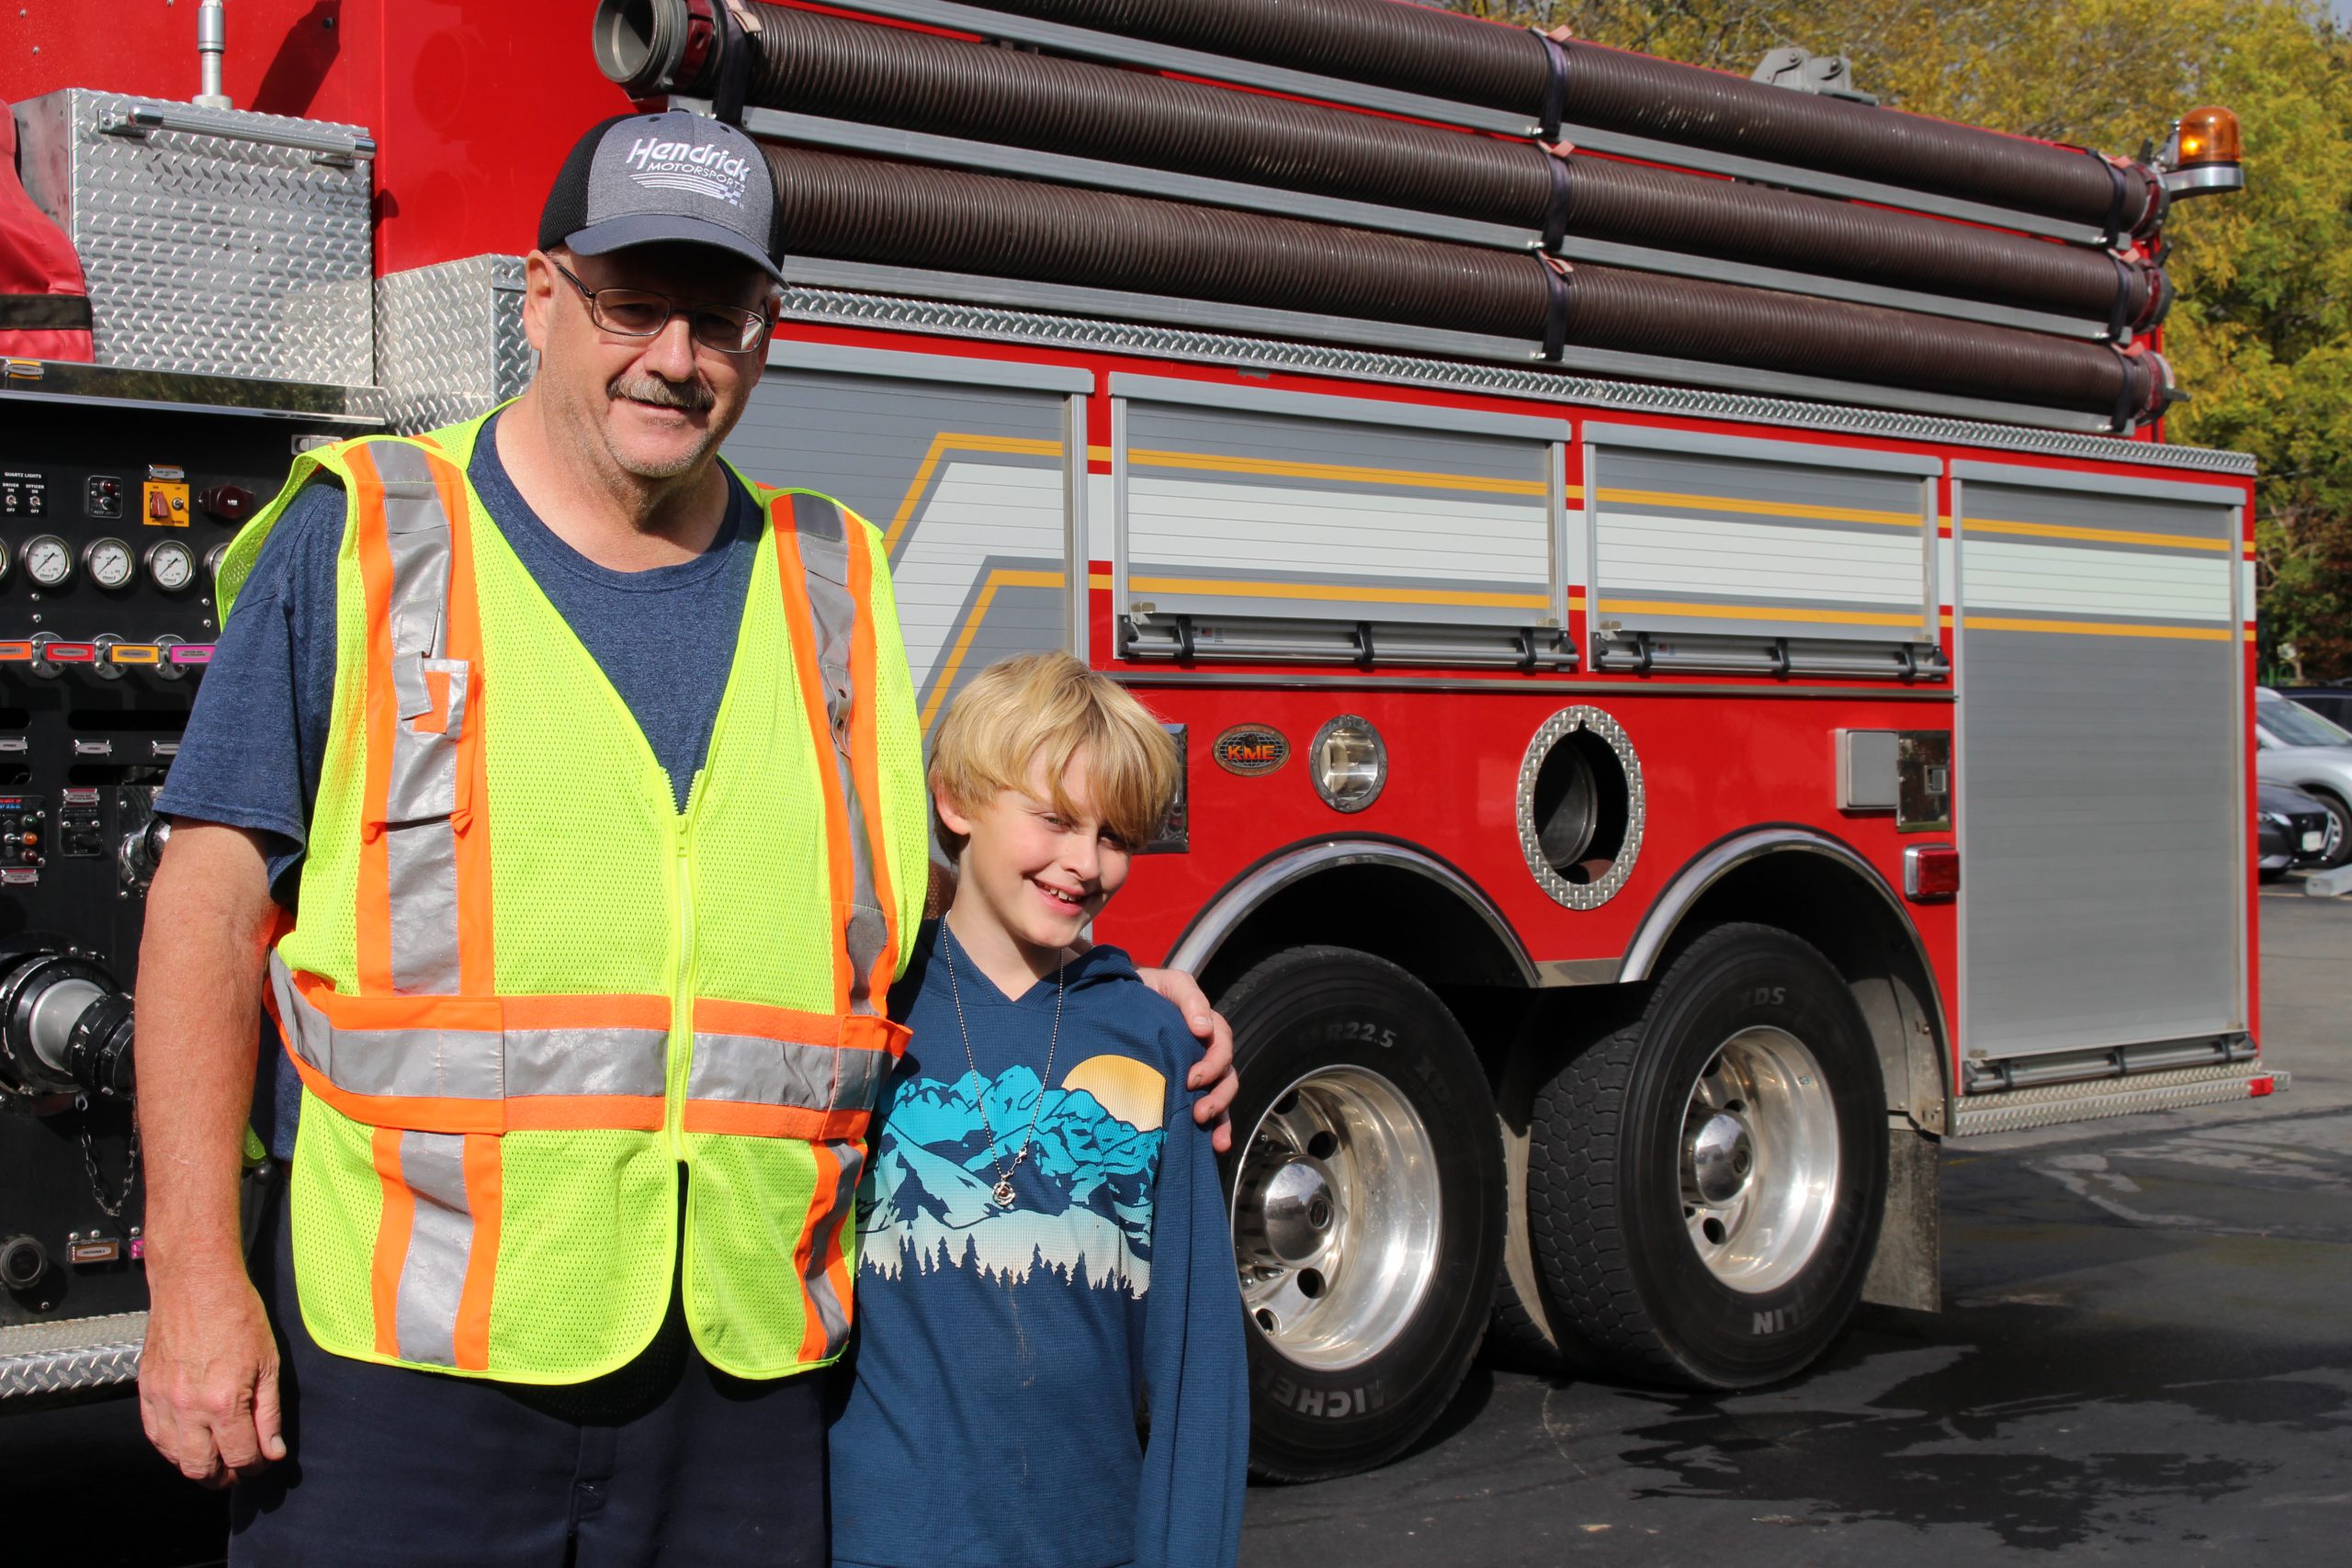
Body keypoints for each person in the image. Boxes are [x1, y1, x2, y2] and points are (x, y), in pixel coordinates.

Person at [131, 110, 1236, 1567]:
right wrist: (198, 1275)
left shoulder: (831, 578)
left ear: (764, 337)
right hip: (414, 1377)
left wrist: (1113, 997)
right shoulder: (373, 540)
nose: (673, 355)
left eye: (717, 318)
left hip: (744, 1375)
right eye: (631, 304)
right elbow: (207, 912)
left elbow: (892, 931)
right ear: (541, 296)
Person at [828, 652, 1248, 1568]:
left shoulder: (1154, 1039)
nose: (1083, 862)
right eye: (1054, 819)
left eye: (1114, 836)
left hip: (1087, 1539)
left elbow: (1197, 1359)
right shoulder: (862, 1014)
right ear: (957, 800)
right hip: (875, 1537)